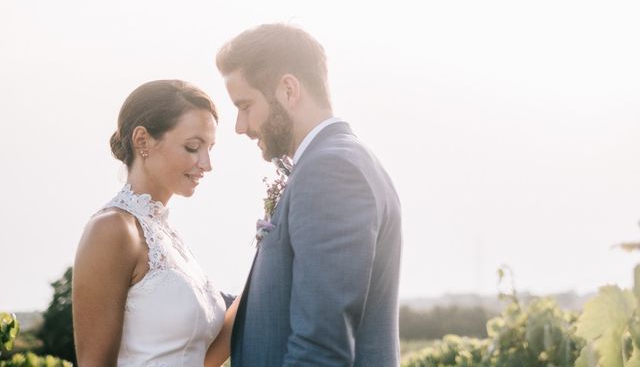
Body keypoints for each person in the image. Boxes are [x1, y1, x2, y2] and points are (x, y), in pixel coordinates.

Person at [215, 23, 402, 366]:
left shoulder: (331, 171)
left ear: (288, 89)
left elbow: (320, 349)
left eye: (245, 105)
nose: (240, 126)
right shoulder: (334, 161)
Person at [73, 79, 236, 367]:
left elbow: (200, 359)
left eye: (210, 148)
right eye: (192, 147)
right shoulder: (112, 230)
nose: (207, 163)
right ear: (143, 141)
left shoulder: (168, 237)